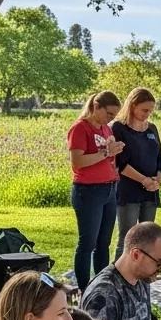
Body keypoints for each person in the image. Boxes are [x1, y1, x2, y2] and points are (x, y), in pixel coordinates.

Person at [68, 91, 123, 290]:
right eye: (108, 114)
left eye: (114, 116)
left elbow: (106, 158)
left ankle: (101, 285)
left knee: (104, 243)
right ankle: (84, 288)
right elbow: (78, 162)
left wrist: (114, 153)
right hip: (88, 191)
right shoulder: (80, 128)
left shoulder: (106, 130)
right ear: (96, 107)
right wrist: (106, 152)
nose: (111, 119)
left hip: (109, 188)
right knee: (87, 243)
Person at [110, 87, 161, 260]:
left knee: (147, 237)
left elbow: (160, 158)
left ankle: (143, 274)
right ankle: (119, 275)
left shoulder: (152, 129)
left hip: (150, 190)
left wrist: (158, 178)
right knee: (128, 237)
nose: (147, 114)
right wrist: (143, 180)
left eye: (150, 110)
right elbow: (120, 163)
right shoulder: (119, 127)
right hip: (128, 190)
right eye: (144, 110)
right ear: (132, 105)